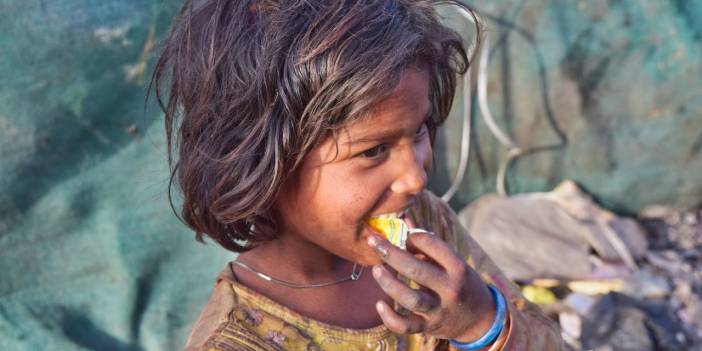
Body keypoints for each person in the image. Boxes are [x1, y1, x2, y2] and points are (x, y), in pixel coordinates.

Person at [150, 0, 565, 350]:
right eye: (373, 150)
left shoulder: (425, 224)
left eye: (418, 130)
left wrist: (481, 324)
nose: (415, 179)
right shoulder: (239, 341)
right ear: (261, 164)